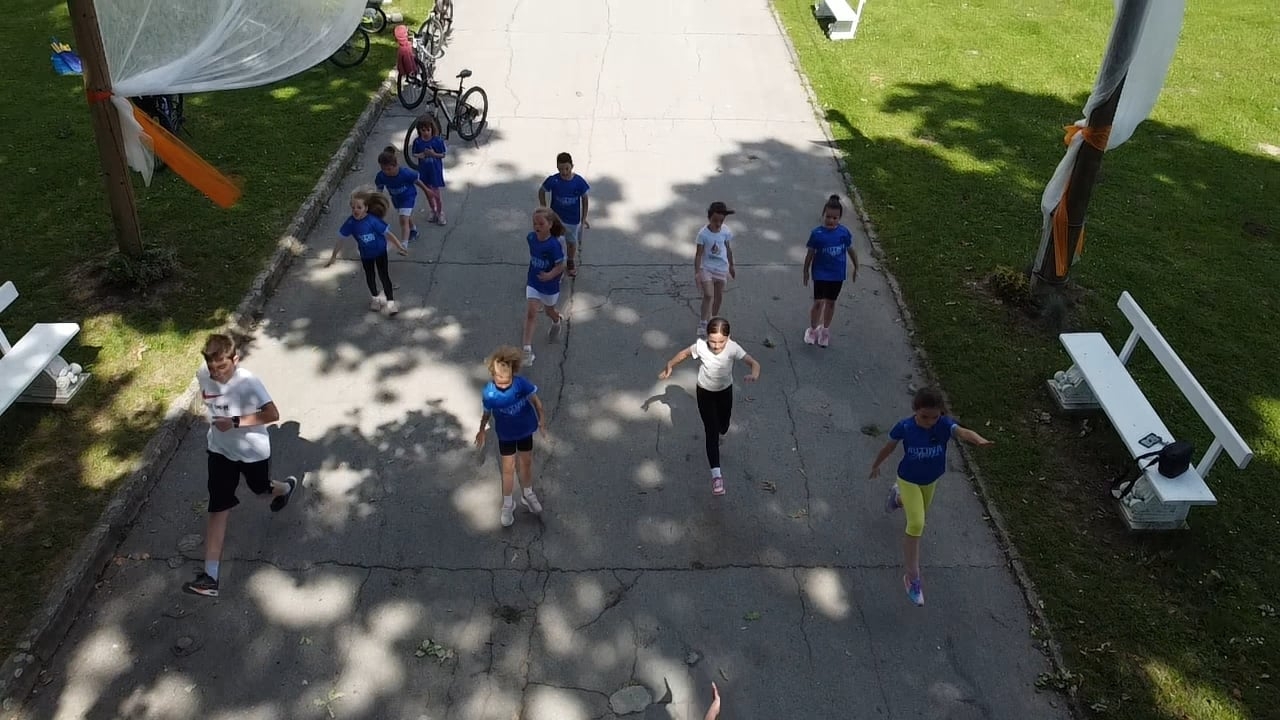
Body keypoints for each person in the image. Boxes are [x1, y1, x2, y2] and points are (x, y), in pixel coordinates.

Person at [184, 333, 297, 597]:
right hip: (220, 450)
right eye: (212, 368)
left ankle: (285, 488)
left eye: (223, 367)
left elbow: (273, 414)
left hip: (252, 452)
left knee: (260, 489)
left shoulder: (249, 382)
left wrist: (235, 422)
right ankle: (210, 577)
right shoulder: (203, 375)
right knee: (218, 506)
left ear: (235, 359)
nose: (217, 374)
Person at [869, 387, 995, 606]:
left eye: (934, 417)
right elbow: (889, 448)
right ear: (915, 411)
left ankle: (897, 499)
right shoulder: (905, 427)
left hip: (930, 480)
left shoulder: (943, 425)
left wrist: (978, 440)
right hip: (908, 479)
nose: (929, 422)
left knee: (918, 512)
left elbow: (962, 432)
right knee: (917, 523)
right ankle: (912, 578)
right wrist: (876, 465)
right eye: (924, 417)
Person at [658, 316, 761, 496]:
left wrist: (754, 374)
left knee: (723, 426)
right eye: (712, 341)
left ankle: (721, 430)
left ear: (728, 338)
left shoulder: (733, 348)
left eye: (721, 342)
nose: (716, 346)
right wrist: (670, 365)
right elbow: (683, 354)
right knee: (711, 431)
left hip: (725, 392)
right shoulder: (701, 346)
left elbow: (754, 363)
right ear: (707, 336)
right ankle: (716, 477)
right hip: (704, 393)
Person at [474, 345, 546, 528]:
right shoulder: (489, 393)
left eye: (507, 380)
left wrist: (542, 420)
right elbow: (486, 414)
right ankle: (508, 503)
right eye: (499, 379)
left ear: (513, 373)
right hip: (506, 435)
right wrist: (481, 430)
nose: (503, 384)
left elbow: (536, 402)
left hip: (525, 431)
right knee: (508, 468)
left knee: (526, 463)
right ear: (493, 374)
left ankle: (527, 493)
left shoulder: (521, 384)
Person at [325, 187, 408, 315]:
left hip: (380, 252)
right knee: (370, 276)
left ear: (366, 208)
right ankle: (375, 298)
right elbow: (341, 239)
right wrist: (334, 256)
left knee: (384, 276)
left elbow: (388, 234)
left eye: (359, 207)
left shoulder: (373, 221)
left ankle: (391, 303)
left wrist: (399, 246)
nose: (355, 210)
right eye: (353, 207)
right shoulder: (350, 223)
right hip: (366, 255)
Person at [802, 194, 858, 347]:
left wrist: (856, 266)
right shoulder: (817, 234)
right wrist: (805, 270)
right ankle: (813, 329)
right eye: (828, 217)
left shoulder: (843, 233)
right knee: (818, 302)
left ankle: (825, 329)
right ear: (823, 215)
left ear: (839, 218)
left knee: (831, 302)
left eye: (835, 218)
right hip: (820, 273)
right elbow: (810, 254)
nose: (831, 221)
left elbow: (850, 250)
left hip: (837, 275)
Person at [521, 207, 567, 366]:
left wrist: (549, 275)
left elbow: (560, 266)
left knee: (549, 311)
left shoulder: (554, 245)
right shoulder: (530, 238)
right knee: (531, 313)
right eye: (534, 223)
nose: (537, 227)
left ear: (550, 224)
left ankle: (556, 320)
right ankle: (527, 350)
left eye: (541, 223)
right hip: (533, 281)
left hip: (549, 285)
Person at [538, 152, 590, 277]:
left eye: (567, 168)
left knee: (571, 242)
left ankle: (570, 261)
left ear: (572, 166)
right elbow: (541, 191)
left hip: (572, 220)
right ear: (557, 167)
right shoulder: (554, 180)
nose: (564, 172)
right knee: (554, 242)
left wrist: (584, 218)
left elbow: (585, 199)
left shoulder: (579, 182)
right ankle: (555, 262)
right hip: (556, 219)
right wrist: (545, 208)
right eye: (561, 169)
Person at [374, 145, 432, 246]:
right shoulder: (381, 176)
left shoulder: (405, 173)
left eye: (389, 169)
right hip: (397, 199)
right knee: (405, 216)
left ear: (396, 165)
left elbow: (417, 181)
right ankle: (413, 230)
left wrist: (426, 190)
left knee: (403, 219)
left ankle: (404, 244)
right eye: (383, 169)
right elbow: (379, 188)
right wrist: (377, 200)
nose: (386, 172)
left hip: (408, 197)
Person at [694, 202, 736, 338]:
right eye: (715, 220)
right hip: (706, 268)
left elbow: (728, 249)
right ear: (709, 218)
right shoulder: (703, 234)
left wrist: (731, 265)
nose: (718, 224)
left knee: (718, 296)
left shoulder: (726, 231)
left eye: (721, 221)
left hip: (721, 268)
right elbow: (698, 254)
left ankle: (712, 320)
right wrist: (697, 273)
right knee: (708, 295)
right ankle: (703, 323)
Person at [410, 115, 447, 225]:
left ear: (432, 129)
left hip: (435, 172)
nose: (426, 132)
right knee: (428, 193)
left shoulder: (437, 141)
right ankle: (433, 210)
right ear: (419, 131)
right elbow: (414, 153)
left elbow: (443, 154)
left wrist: (433, 154)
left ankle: (440, 212)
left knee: (436, 194)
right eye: (423, 130)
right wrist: (421, 155)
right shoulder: (418, 142)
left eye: (428, 130)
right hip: (424, 172)